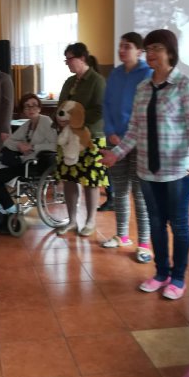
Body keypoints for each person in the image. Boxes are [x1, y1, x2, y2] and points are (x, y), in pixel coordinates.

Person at [100, 30, 189, 299]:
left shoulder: (184, 84)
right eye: (148, 49)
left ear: (170, 52)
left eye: (156, 48)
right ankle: (161, 274)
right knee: (156, 223)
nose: (150, 54)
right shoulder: (143, 88)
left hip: (179, 170)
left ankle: (178, 278)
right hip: (147, 170)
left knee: (178, 225)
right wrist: (117, 153)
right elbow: (135, 131)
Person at [101, 32, 153, 263]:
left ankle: (144, 243)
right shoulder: (115, 73)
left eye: (127, 46)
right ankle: (122, 235)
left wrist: (128, 136)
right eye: (120, 46)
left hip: (139, 142)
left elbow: (145, 111)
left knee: (140, 194)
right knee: (120, 190)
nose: (122, 50)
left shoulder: (148, 74)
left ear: (140, 51)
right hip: (114, 140)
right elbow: (106, 104)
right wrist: (110, 132)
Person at [0, 93, 58, 232]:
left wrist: (33, 147)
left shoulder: (45, 121)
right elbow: (9, 141)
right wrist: (20, 146)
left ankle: (10, 210)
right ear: (23, 110)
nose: (31, 109)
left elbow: (56, 145)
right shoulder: (28, 125)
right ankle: (1, 211)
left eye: (34, 105)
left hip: (37, 165)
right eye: (27, 106)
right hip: (25, 163)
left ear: (39, 107)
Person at [56, 42, 108, 237]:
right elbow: (61, 105)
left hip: (90, 138)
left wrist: (75, 120)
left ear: (82, 58)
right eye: (66, 60)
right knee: (69, 180)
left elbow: (100, 110)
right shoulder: (69, 81)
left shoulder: (97, 80)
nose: (67, 63)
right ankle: (71, 220)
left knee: (90, 181)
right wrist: (58, 119)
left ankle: (90, 221)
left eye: (70, 59)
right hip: (69, 139)